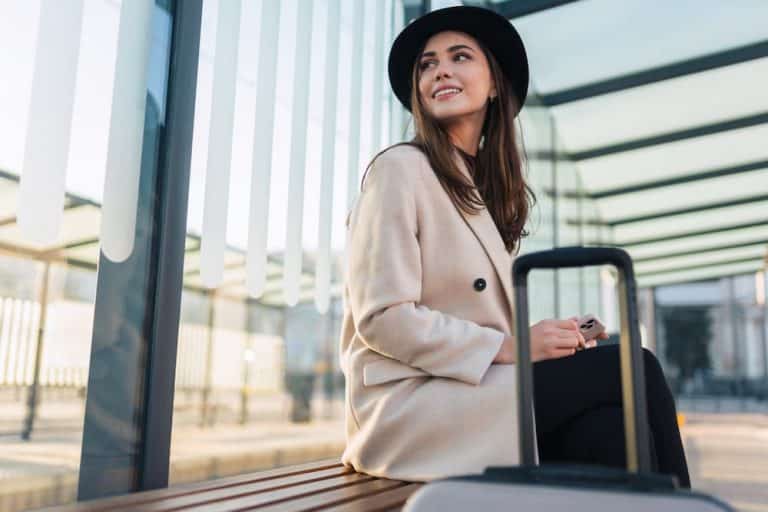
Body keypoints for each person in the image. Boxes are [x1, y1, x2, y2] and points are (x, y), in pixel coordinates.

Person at [339, 5, 689, 488]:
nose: (441, 69)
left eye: (460, 57)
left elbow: (475, 331)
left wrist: (548, 339)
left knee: (609, 431)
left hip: (473, 393)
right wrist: (515, 345)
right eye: (428, 63)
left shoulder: (477, 189)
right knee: (637, 368)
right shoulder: (399, 169)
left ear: (495, 84)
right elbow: (382, 318)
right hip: (410, 407)